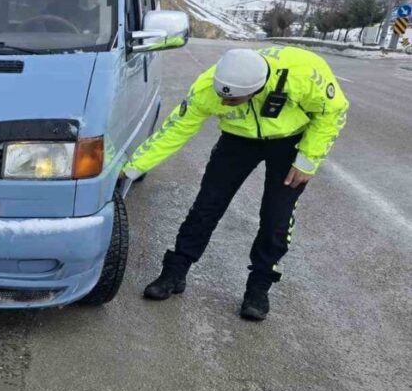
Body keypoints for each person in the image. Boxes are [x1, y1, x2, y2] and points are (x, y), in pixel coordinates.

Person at [122, 46, 349, 321]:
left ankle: (258, 288)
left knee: (276, 217)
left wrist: (308, 159)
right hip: (237, 141)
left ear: (257, 89)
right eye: (222, 99)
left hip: (290, 142)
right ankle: (175, 271)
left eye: (233, 101)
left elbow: (333, 112)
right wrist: (133, 168)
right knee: (206, 206)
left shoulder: (302, 73)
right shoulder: (208, 86)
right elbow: (176, 130)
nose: (225, 104)